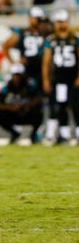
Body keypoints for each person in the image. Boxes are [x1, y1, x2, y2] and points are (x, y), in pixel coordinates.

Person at [42, 10, 79, 145]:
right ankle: (63, 134)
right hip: (58, 78)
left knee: (75, 106)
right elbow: (46, 62)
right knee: (59, 106)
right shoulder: (51, 40)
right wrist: (46, 79)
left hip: (72, 77)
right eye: (59, 21)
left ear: (68, 22)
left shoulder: (75, 39)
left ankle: (76, 134)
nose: (61, 24)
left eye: (63, 21)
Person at [0, 64, 42, 144]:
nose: (17, 78)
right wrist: (11, 108)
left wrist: (25, 106)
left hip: (26, 112)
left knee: (38, 114)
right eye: (15, 75)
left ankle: (33, 135)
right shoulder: (7, 87)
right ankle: (14, 134)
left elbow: (39, 100)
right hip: (12, 113)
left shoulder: (30, 85)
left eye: (19, 75)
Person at [2, 7, 46, 91]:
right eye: (35, 18)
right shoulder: (22, 32)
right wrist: (14, 63)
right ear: (30, 18)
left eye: (39, 18)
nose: (37, 20)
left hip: (42, 68)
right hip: (27, 68)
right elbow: (5, 46)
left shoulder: (45, 32)